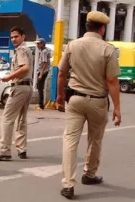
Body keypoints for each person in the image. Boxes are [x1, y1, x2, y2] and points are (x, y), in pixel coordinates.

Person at [57, 11, 121, 199]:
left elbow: (61, 73)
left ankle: (68, 184)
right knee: (95, 139)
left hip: (75, 99)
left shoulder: (72, 45)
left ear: (86, 26)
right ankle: (89, 174)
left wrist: (60, 95)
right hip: (98, 101)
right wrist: (117, 107)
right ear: (102, 28)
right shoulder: (107, 49)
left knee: (70, 140)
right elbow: (112, 81)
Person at [0, 26, 33, 161]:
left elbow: (25, 67)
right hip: (27, 87)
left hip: (20, 87)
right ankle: (22, 149)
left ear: (23, 37)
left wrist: (9, 77)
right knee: (21, 119)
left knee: (7, 119)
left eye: (16, 36)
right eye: (12, 37)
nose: (13, 39)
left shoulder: (21, 50)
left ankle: (4, 151)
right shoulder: (26, 49)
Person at [35, 38, 51, 110]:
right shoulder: (45, 50)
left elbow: (45, 63)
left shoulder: (44, 51)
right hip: (44, 70)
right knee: (39, 87)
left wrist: (41, 74)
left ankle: (41, 105)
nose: (37, 45)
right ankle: (41, 104)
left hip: (43, 71)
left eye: (38, 43)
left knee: (40, 88)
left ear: (42, 44)